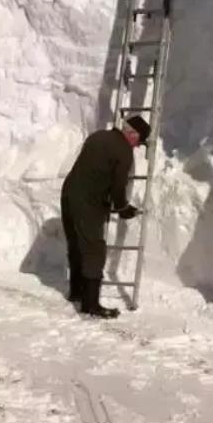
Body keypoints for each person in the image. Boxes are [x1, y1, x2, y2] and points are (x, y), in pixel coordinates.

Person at [61, 115, 150, 318]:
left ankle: (76, 292)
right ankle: (90, 305)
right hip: (87, 201)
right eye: (139, 140)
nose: (137, 146)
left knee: (76, 242)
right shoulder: (123, 151)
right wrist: (123, 208)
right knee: (94, 249)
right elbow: (118, 188)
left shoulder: (98, 136)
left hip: (68, 193)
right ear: (132, 134)